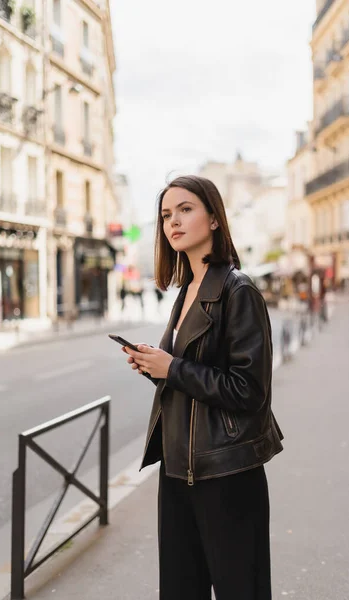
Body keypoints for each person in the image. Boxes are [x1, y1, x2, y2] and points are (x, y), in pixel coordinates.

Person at [123, 175, 284, 600]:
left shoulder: (238, 289)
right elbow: (189, 373)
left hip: (225, 471)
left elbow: (249, 390)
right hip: (177, 468)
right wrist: (154, 366)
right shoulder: (187, 289)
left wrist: (173, 368)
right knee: (180, 589)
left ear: (214, 218)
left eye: (185, 209)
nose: (172, 221)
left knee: (239, 589)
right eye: (165, 215)